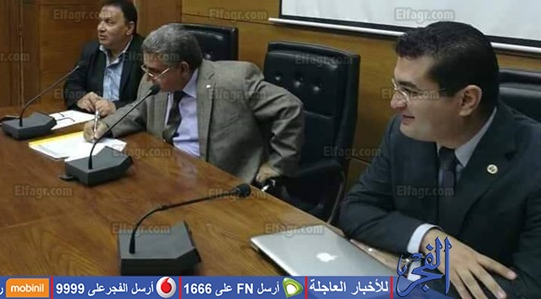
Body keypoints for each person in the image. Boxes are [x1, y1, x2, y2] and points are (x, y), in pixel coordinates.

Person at [339, 22, 540, 299]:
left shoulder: (534, 159)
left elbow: (530, 289)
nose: (395, 103)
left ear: (466, 100)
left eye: (411, 91)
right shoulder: (404, 131)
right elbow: (356, 208)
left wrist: (409, 271)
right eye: (396, 87)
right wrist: (428, 238)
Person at [83, 24, 305, 186]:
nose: (148, 77)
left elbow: (289, 107)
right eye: (145, 68)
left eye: (155, 71)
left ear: (183, 69)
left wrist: (278, 164)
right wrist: (106, 125)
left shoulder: (235, 81)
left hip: (219, 184)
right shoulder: (153, 79)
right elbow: (139, 110)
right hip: (165, 173)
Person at [63, 0, 144, 117]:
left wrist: (116, 107)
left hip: (128, 123)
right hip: (92, 119)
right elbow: (71, 84)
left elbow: (150, 102)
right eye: (100, 21)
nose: (100, 28)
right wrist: (81, 98)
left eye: (109, 22)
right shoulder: (91, 50)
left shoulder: (145, 55)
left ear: (129, 27)